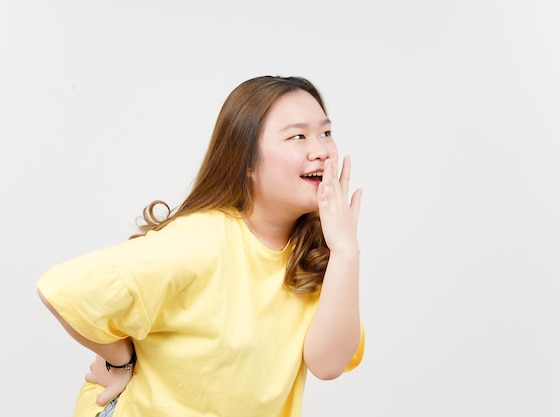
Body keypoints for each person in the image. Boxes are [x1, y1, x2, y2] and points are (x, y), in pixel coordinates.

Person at [36, 75, 365, 417]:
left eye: (325, 133)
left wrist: (345, 252)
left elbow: (328, 363)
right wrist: (122, 362)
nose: (322, 151)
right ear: (248, 161)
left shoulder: (314, 250)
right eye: (298, 136)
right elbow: (62, 288)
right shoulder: (201, 240)